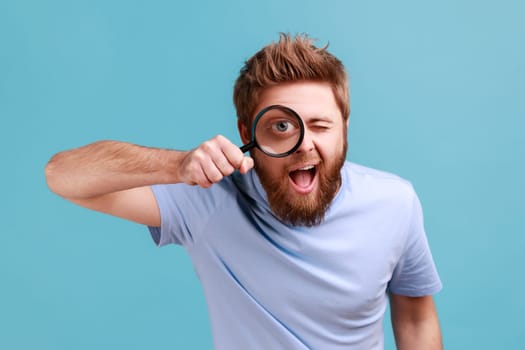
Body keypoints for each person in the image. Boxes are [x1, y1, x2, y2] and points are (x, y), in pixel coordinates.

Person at [45, 33, 442, 349]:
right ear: (246, 134)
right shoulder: (207, 200)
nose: (304, 144)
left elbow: (415, 316)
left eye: (320, 125)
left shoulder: (395, 203)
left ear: (345, 127)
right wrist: (176, 165)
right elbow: (61, 175)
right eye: (281, 126)